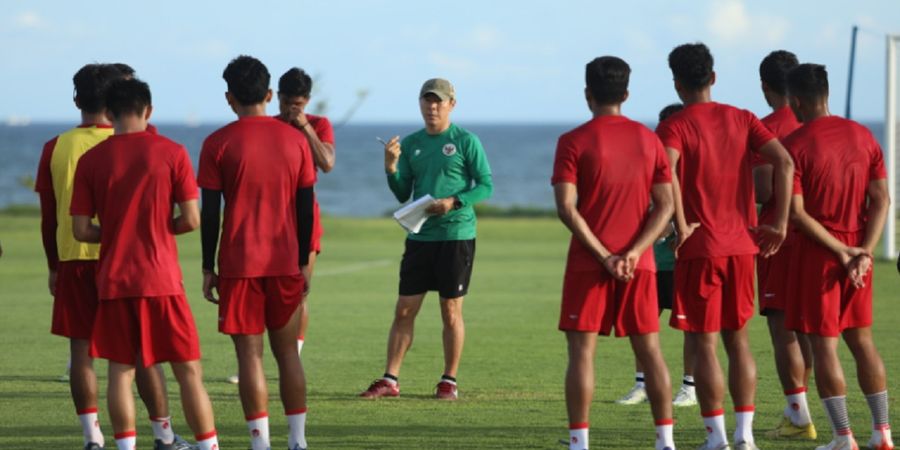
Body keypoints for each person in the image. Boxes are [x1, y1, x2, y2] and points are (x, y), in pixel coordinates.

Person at [34, 63, 193, 450]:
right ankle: (163, 434)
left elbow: (49, 215)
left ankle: (93, 438)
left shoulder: (55, 147)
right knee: (141, 353)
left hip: (74, 257)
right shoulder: (141, 140)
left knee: (80, 352)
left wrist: (54, 266)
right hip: (127, 263)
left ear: (76, 99)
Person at [657, 42, 794, 450]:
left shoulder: (674, 125)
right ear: (713, 78)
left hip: (700, 247)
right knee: (739, 341)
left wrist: (680, 224)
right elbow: (785, 163)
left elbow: (665, 175)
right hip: (741, 246)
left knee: (703, 341)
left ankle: (716, 438)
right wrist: (781, 223)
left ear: (677, 84)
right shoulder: (744, 118)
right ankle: (745, 437)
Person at [70, 77, 219, 450]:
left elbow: (81, 230)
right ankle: (208, 445)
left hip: (115, 280)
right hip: (162, 279)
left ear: (108, 113)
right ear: (148, 110)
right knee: (188, 372)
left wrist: (119, 230)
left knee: (120, 372)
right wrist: (155, 226)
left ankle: (124, 447)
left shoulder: (91, 160)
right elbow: (191, 220)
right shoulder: (172, 152)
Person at [554, 56, 676, 450]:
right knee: (650, 351)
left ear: (587, 94)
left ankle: (579, 443)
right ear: (625, 94)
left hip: (588, 263)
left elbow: (566, 208)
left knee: (582, 353)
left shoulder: (572, 141)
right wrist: (634, 251)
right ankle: (665, 441)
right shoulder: (649, 139)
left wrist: (606, 255)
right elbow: (666, 207)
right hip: (639, 265)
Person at [198, 55, 316, 450]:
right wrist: (301, 262)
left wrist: (207, 266)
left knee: (249, 357)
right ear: (269, 94)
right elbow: (305, 207)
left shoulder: (216, 143)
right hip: (284, 262)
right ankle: (297, 443)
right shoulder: (297, 140)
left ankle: (260, 444)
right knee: (288, 355)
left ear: (229, 98)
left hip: (237, 264)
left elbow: (210, 212)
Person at [360, 78, 492, 400]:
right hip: (421, 236)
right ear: (420, 103)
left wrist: (454, 202)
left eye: (439, 102)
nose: (432, 107)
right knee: (405, 309)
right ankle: (390, 379)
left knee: (450, 310)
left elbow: (485, 185)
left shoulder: (465, 140)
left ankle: (449, 381)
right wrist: (391, 167)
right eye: (427, 101)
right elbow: (403, 192)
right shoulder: (413, 143)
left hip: (456, 234)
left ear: (451, 105)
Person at [784, 63, 894, 450]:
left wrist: (842, 250)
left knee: (824, 344)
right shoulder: (864, 136)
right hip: (857, 253)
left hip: (820, 255)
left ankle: (843, 436)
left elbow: (796, 213)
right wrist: (864, 250)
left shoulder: (794, 145)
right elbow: (882, 199)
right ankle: (882, 434)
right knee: (862, 341)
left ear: (795, 101)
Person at [225, 67, 336, 385]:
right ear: (277, 97)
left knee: (299, 290)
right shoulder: (268, 126)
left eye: (298, 103)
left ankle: (292, 357)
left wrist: (304, 127)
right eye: (288, 102)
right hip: (269, 221)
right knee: (256, 293)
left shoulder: (318, 124)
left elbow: (327, 163)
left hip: (303, 220)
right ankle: (252, 361)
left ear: (307, 102)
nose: (291, 108)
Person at [752, 50, 818, 441]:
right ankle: (802, 410)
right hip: (818, 234)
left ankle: (799, 415)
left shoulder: (765, 128)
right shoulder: (817, 124)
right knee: (810, 328)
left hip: (779, 237)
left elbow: (763, 189)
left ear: (765, 87)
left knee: (783, 331)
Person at [617, 103, 698, 409]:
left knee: (689, 325)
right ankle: (643, 385)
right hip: (652, 260)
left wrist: (677, 228)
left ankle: (689, 387)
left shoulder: (692, 170)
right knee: (643, 323)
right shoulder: (651, 164)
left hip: (682, 261)